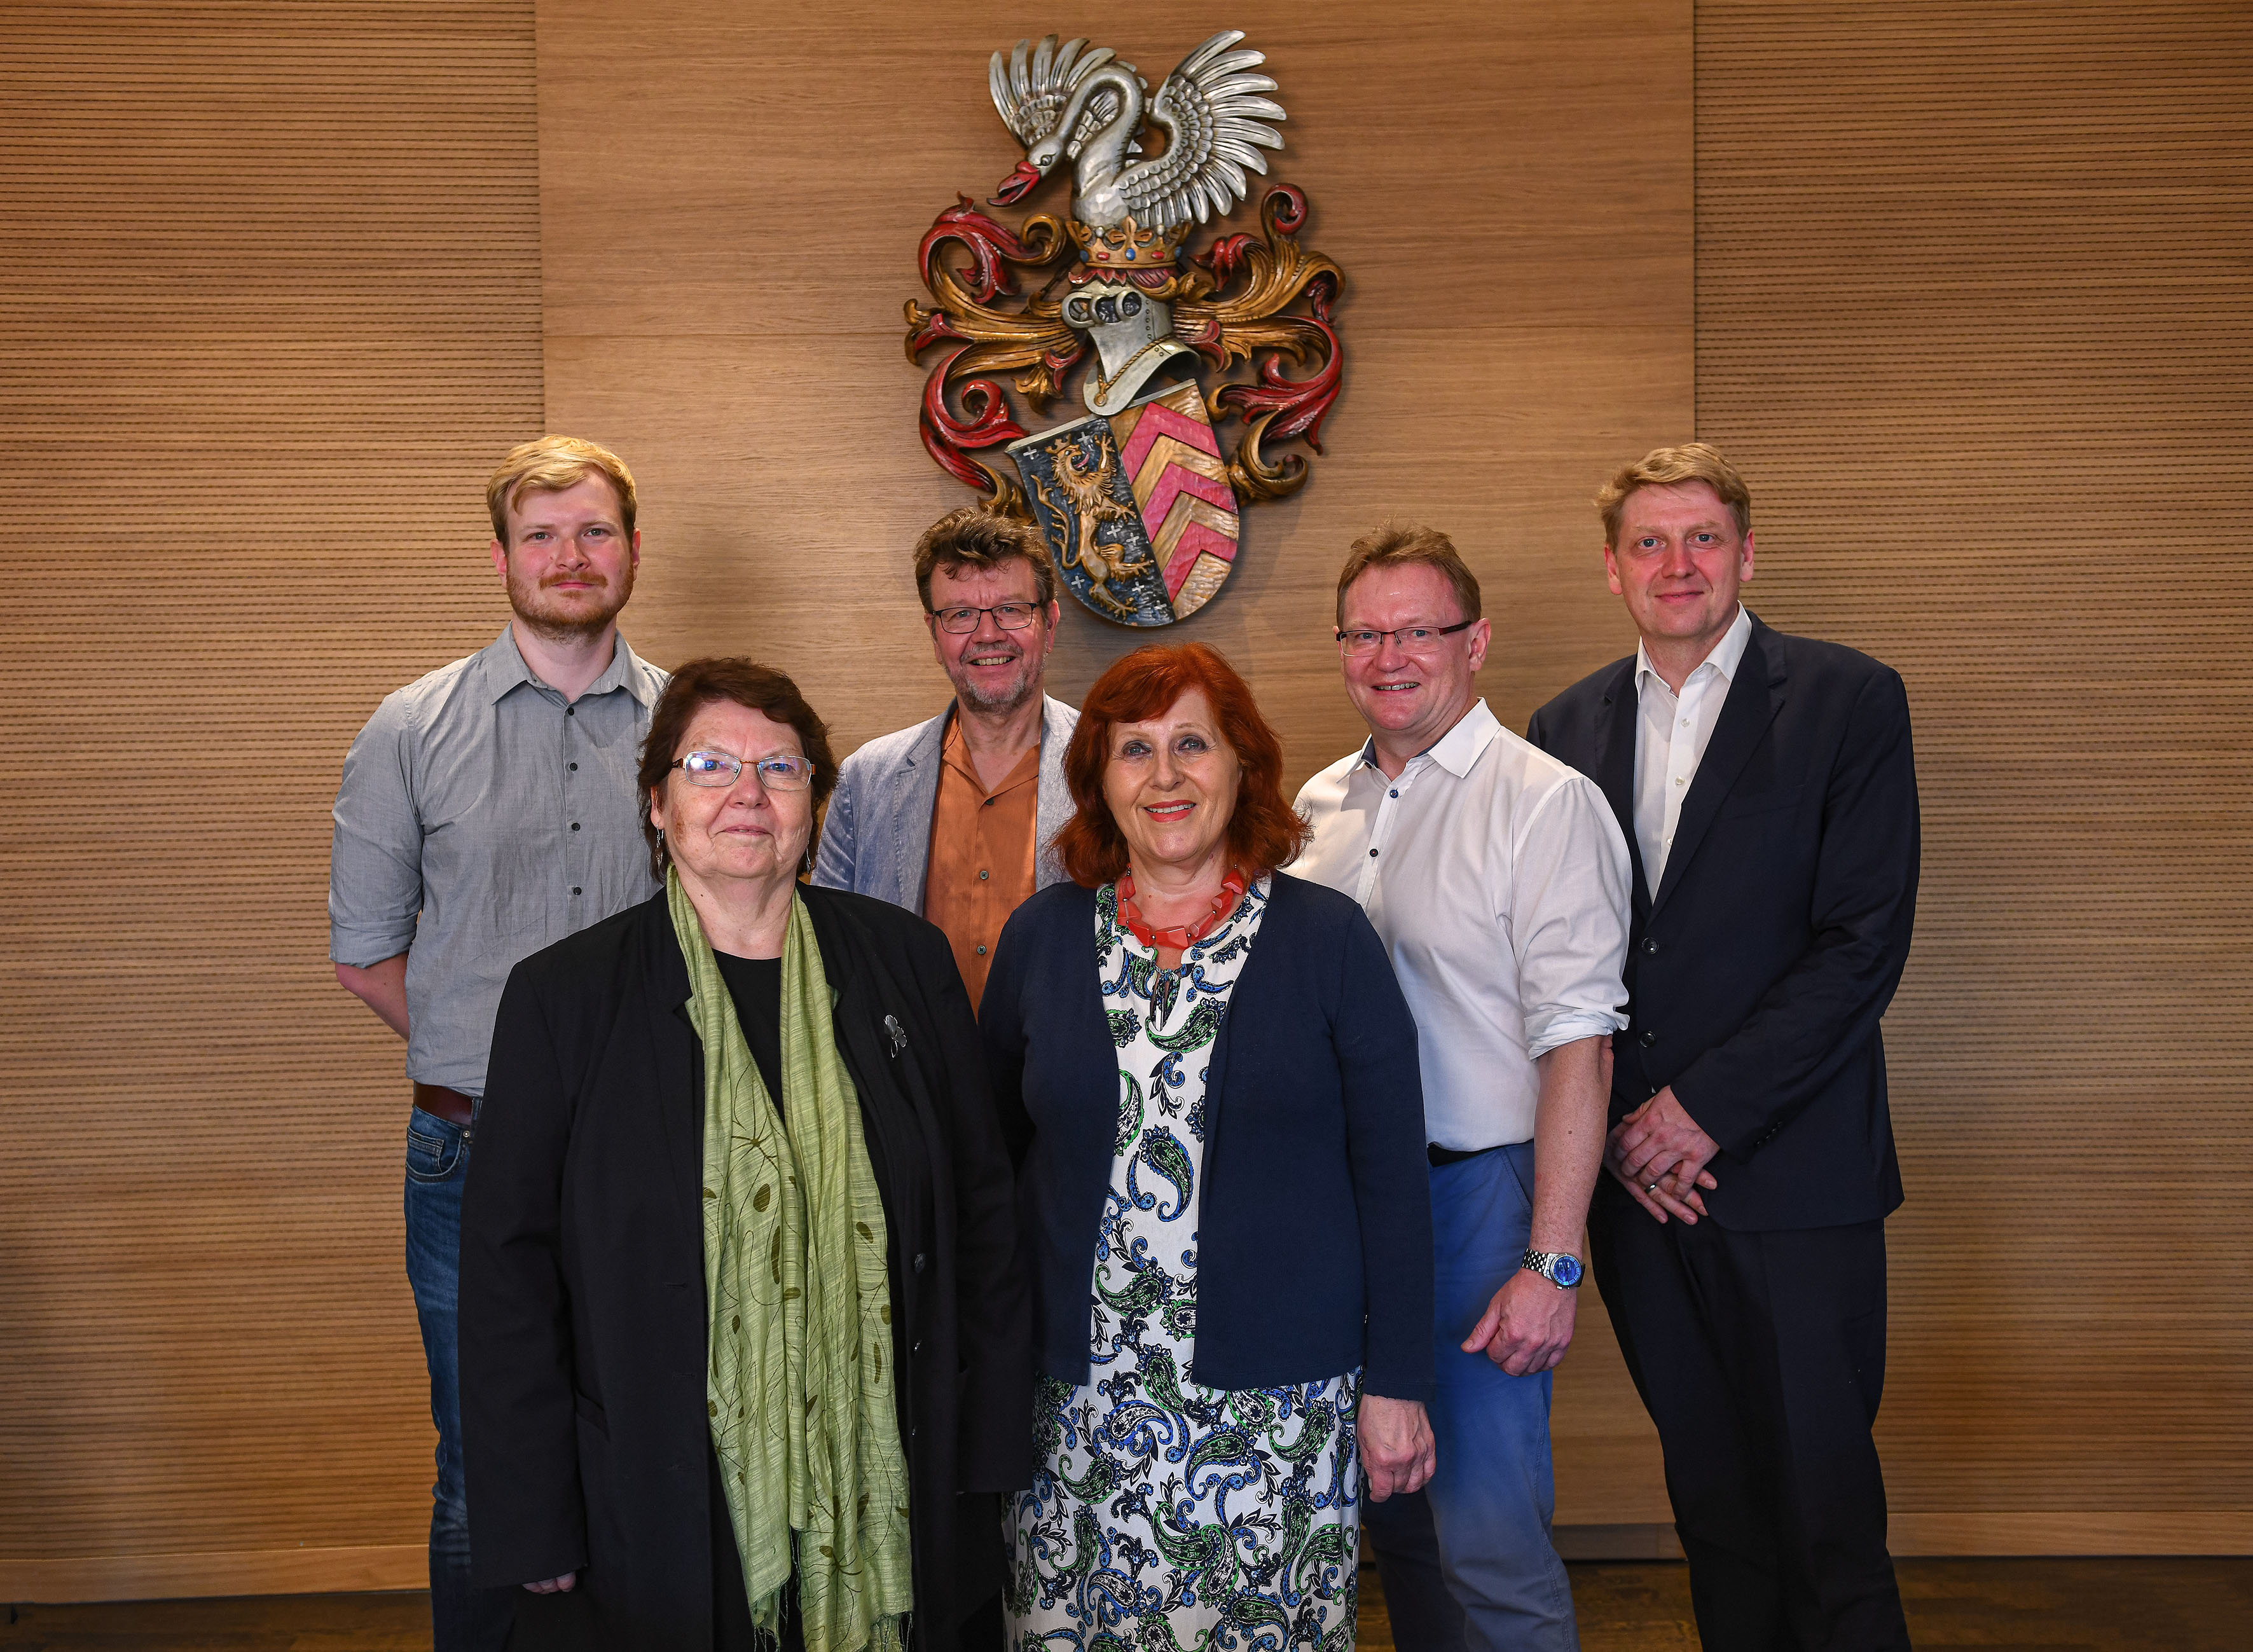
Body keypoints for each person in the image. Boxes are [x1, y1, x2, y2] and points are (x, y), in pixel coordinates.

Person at [459, 657, 1029, 1651]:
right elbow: (508, 1279)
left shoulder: (904, 961)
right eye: (711, 763)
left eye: (782, 766)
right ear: (656, 801)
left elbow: (983, 1216)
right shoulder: (564, 998)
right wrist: (531, 1513)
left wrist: (985, 1457)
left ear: (813, 801)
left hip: (899, 1474)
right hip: (654, 1495)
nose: (747, 793)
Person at [1526, 443, 1919, 1651]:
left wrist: (1691, 1113)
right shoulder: (1565, 722)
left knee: (1821, 1507)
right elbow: (1574, 955)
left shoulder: (1849, 698)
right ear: (1611, 569)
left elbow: (1859, 943)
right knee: (1710, 1499)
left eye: (1701, 537)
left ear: (1746, 553)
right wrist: (1629, 1131)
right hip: (1642, 1192)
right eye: (1648, 541)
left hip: (1791, 1177)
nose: (1676, 563)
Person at [981, 641, 1437, 1650]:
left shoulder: (1328, 941)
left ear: (1242, 763)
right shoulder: (1041, 938)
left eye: (1192, 743)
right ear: (1098, 781)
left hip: (1271, 1406)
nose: (1166, 774)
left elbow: (1393, 1181)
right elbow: (993, 1167)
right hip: (1077, 1410)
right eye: (1132, 750)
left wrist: (1397, 1380)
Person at [328, 434, 667, 1650]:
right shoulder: (410, 726)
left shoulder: (690, 727)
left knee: (657, 1437)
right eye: (542, 534)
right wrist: (515, 1070)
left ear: (631, 549)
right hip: (469, 1155)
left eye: (593, 531)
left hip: (657, 1154)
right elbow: (365, 952)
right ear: (500, 558)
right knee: (486, 1458)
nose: (569, 556)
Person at [1295, 526, 1632, 1652]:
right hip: (1335, 1212)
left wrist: (1551, 1258)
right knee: (1387, 1517)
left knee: (1485, 1534)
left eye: (1418, 629)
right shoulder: (1309, 809)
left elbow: (1578, 1045)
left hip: (1477, 1200)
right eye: (1365, 632)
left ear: (1473, 641)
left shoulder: (1544, 802)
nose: (1390, 653)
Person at [813, 506, 1078, 1010]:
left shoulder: (1113, 767)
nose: (987, 634)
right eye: (960, 614)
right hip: (913, 1075)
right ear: (935, 635)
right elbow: (828, 951)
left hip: (1057, 1076)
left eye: (1012, 609)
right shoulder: (866, 779)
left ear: (1049, 623)